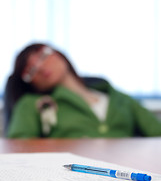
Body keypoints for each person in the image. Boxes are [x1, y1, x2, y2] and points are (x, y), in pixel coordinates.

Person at [4, 43, 161, 138]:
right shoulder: (31, 104)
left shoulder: (120, 98)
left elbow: (156, 133)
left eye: (42, 56)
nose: (39, 67)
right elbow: (20, 147)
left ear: (58, 53)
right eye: (30, 70)